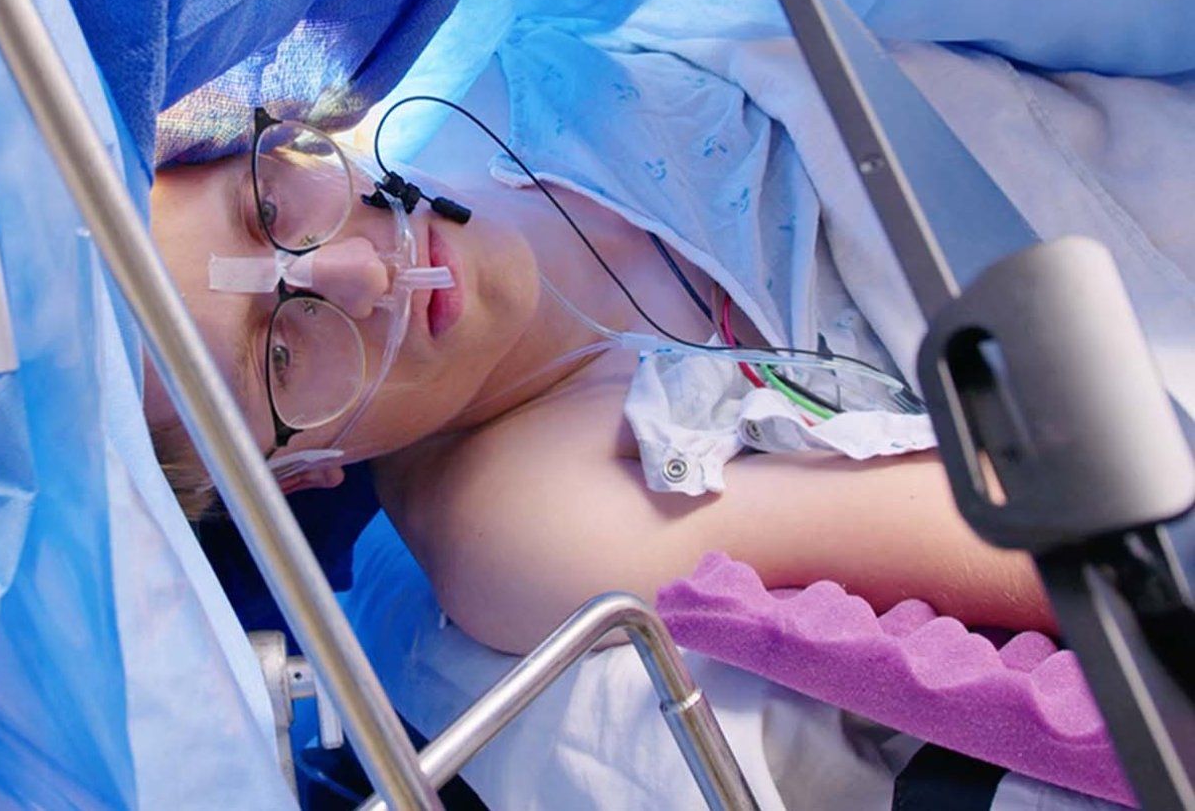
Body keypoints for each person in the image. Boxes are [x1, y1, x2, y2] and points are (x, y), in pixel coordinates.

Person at [142, 109, 1054, 657]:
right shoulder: (521, 529)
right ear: (298, 476)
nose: (362, 273)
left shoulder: (512, 80)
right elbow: (1036, 539)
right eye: (280, 358)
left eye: (269, 211)